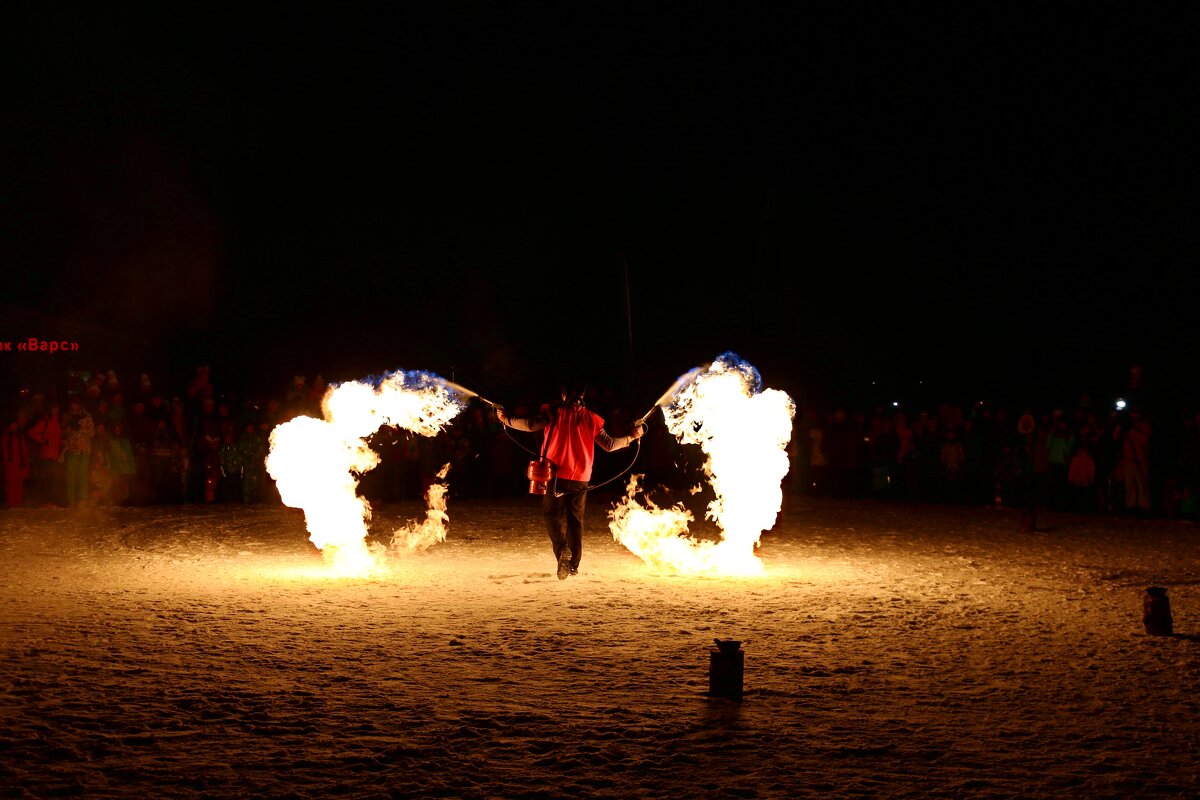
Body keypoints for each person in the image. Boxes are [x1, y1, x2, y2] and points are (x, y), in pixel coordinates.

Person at [495, 382, 644, 580]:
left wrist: (507, 420)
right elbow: (609, 445)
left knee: (552, 515)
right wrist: (631, 437)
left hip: (555, 475)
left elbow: (530, 425)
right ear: (584, 396)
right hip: (581, 478)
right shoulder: (592, 419)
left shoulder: (554, 412)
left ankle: (562, 550)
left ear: (563, 395)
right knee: (575, 521)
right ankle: (574, 564)